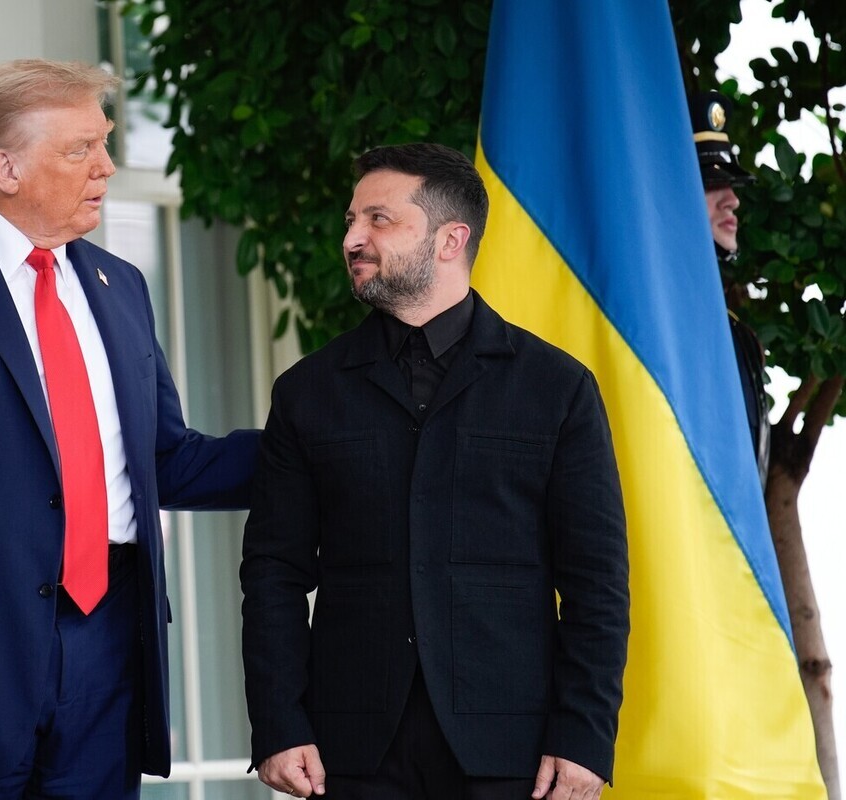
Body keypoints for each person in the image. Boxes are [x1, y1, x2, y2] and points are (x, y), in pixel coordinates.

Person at [0, 59, 259, 799]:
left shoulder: (120, 285)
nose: (106, 166)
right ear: (5, 168)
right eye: (81, 149)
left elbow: (166, 460)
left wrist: (319, 450)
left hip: (110, 649)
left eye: (105, 142)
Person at [240, 143, 630, 799]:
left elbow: (596, 579)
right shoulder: (307, 392)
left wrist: (584, 735)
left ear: (452, 239)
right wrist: (279, 722)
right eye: (351, 220)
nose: (353, 238)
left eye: (379, 219)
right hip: (351, 753)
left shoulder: (557, 387)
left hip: (515, 754)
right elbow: (273, 571)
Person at [689, 90, 770, 487]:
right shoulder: (653, 325)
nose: (732, 201)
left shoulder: (737, 335)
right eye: (711, 184)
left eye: (732, 184)